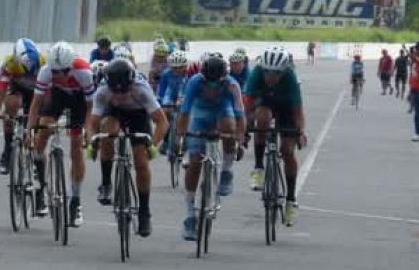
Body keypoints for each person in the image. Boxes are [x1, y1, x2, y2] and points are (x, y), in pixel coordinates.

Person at [86, 59, 168, 236]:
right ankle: (106, 183)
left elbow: (162, 122)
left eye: (124, 90)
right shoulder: (103, 92)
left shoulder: (142, 89)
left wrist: (153, 145)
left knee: (141, 160)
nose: (121, 95)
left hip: (138, 114)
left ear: (131, 83)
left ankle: (144, 211)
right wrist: (92, 142)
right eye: (116, 91)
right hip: (113, 113)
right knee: (108, 131)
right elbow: (92, 123)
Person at [27, 41, 94, 226]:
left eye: (63, 71)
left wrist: (88, 129)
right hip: (57, 95)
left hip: (79, 99)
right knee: (43, 130)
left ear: (70, 66)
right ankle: (41, 187)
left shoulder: (84, 72)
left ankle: (76, 202)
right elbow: (35, 105)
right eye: (55, 72)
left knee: (76, 144)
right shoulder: (46, 71)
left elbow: (91, 108)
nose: (59, 75)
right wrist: (29, 131)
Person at [176, 55, 240, 240]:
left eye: (216, 84)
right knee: (195, 161)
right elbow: (185, 112)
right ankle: (189, 215)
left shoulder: (232, 84)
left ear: (223, 79)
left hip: (223, 111)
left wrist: (240, 137)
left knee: (229, 127)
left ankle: (227, 170)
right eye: (208, 84)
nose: (211, 88)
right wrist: (180, 137)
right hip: (201, 114)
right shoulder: (195, 82)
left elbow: (240, 114)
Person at [243, 46, 307, 226]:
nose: (270, 77)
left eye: (276, 73)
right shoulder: (256, 74)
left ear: (284, 71)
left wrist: (300, 133)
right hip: (264, 102)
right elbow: (246, 106)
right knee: (261, 118)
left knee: (287, 150)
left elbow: (298, 113)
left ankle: (291, 201)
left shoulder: (290, 79)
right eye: (267, 72)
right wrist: (245, 128)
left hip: (286, 108)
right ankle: (258, 168)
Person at [0, 38, 45, 174]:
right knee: (11, 105)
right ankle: (7, 150)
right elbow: (0, 93)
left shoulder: (44, 61)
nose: (28, 74)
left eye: (32, 71)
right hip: (16, 87)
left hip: (37, 91)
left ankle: (35, 155)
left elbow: (49, 94)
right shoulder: (9, 63)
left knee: (36, 119)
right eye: (25, 71)